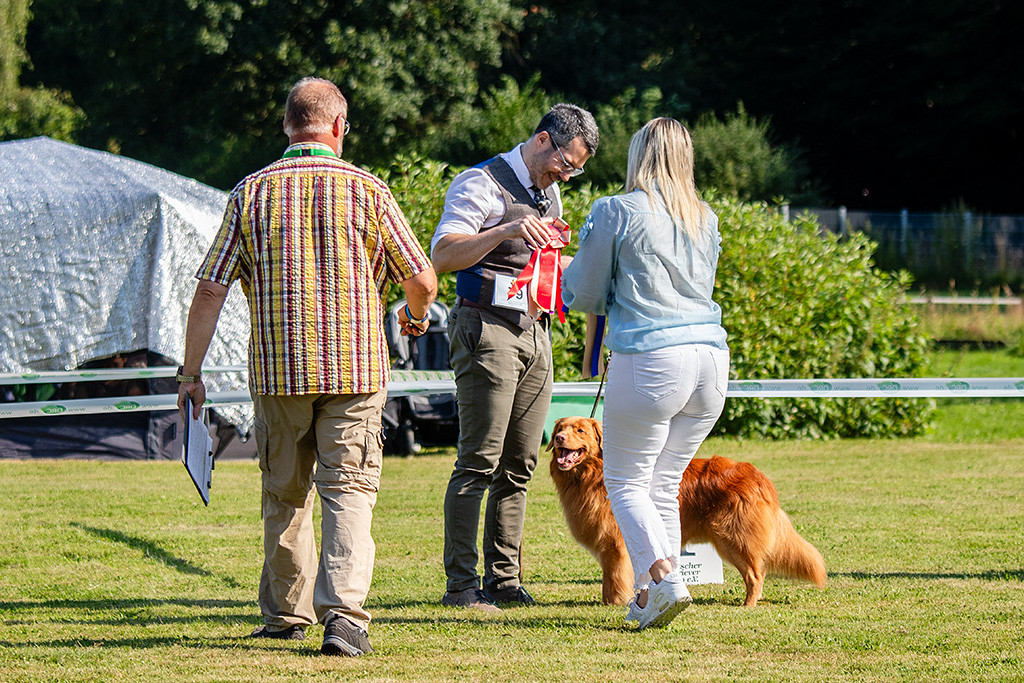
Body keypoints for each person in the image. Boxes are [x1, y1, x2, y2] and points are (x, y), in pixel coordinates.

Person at [177, 77, 437, 656]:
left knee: (285, 493)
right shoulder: (369, 190)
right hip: (356, 373)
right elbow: (422, 280)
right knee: (349, 491)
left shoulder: (252, 192)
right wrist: (414, 319)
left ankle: (286, 616)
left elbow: (209, 291)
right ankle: (344, 617)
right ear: (339, 126)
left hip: (278, 374)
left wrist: (191, 373)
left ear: (287, 127)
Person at [561, 117, 729, 630]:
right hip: (710, 361)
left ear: (639, 157)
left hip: (652, 357)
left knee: (624, 481)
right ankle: (655, 592)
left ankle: (664, 583)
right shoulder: (706, 216)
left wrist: (568, 267)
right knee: (663, 483)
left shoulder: (616, 209)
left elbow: (583, 292)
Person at [431, 104, 599, 611]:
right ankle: (461, 585)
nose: (565, 175)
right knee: (479, 460)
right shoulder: (480, 182)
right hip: (486, 328)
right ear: (544, 139)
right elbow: (442, 255)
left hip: (535, 330)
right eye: (565, 163)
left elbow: (543, 266)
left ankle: (504, 580)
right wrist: (502, 232)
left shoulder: (550, 192)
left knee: (522, 463)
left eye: (574, 170)